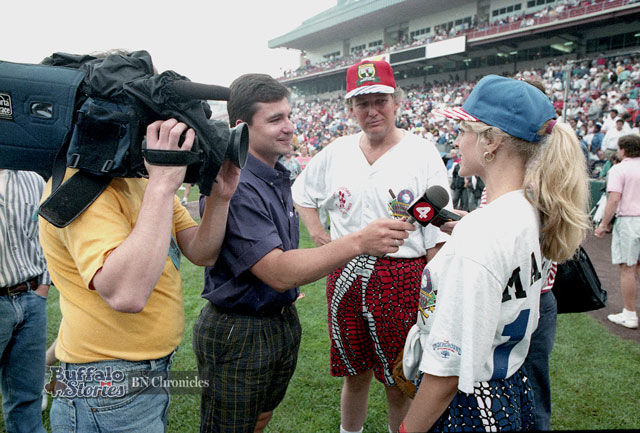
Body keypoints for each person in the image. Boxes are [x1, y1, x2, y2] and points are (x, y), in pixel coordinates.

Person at [192, 73, 414, 433]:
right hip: (241, 329)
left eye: (289, 116)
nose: (289, 127)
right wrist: (359, 242)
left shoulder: (271, 174)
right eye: (275, 119)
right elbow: (279, 270)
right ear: (241, 127)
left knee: (260, 418)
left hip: (275, 319)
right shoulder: (239, 182)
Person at [401, 75, 590, 432]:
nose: (456, 140)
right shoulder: (532, 209)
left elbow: (446, 370)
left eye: (463, 129)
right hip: (506, 391)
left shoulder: (483, 234)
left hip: (469, 404)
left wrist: (407, 428)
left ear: (490, 142)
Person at [39, 118, 241, 432]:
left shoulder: (138, 176)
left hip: (145, 368)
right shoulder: (81, 183)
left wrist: (220, 198)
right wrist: (162, 184)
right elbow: (126, 294)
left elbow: (202, 252)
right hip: (106, 376)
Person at [292, 60, 450, 433]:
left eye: (380, 99)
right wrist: (317, 233)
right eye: (362, 103)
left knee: (400, 377)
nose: (372, 110)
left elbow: (436, 229)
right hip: (344, 270)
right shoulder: (336, 151)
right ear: (350, 109)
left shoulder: (422, 152)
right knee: (354, 372)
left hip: (402, 276)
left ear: (396, 101)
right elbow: (302, 192)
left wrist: (434, 291)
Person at [0, 169, 51, 433]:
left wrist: (42, 285)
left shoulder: (34, 180)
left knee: (28, 396)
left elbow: (47, 233)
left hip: (31, 299)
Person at [595, 134, 640, 329]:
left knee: (628, 268)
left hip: (629, 220)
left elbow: (613, 199)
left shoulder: (619, 169)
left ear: (622, 149)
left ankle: (629, 314)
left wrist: (603, 224)